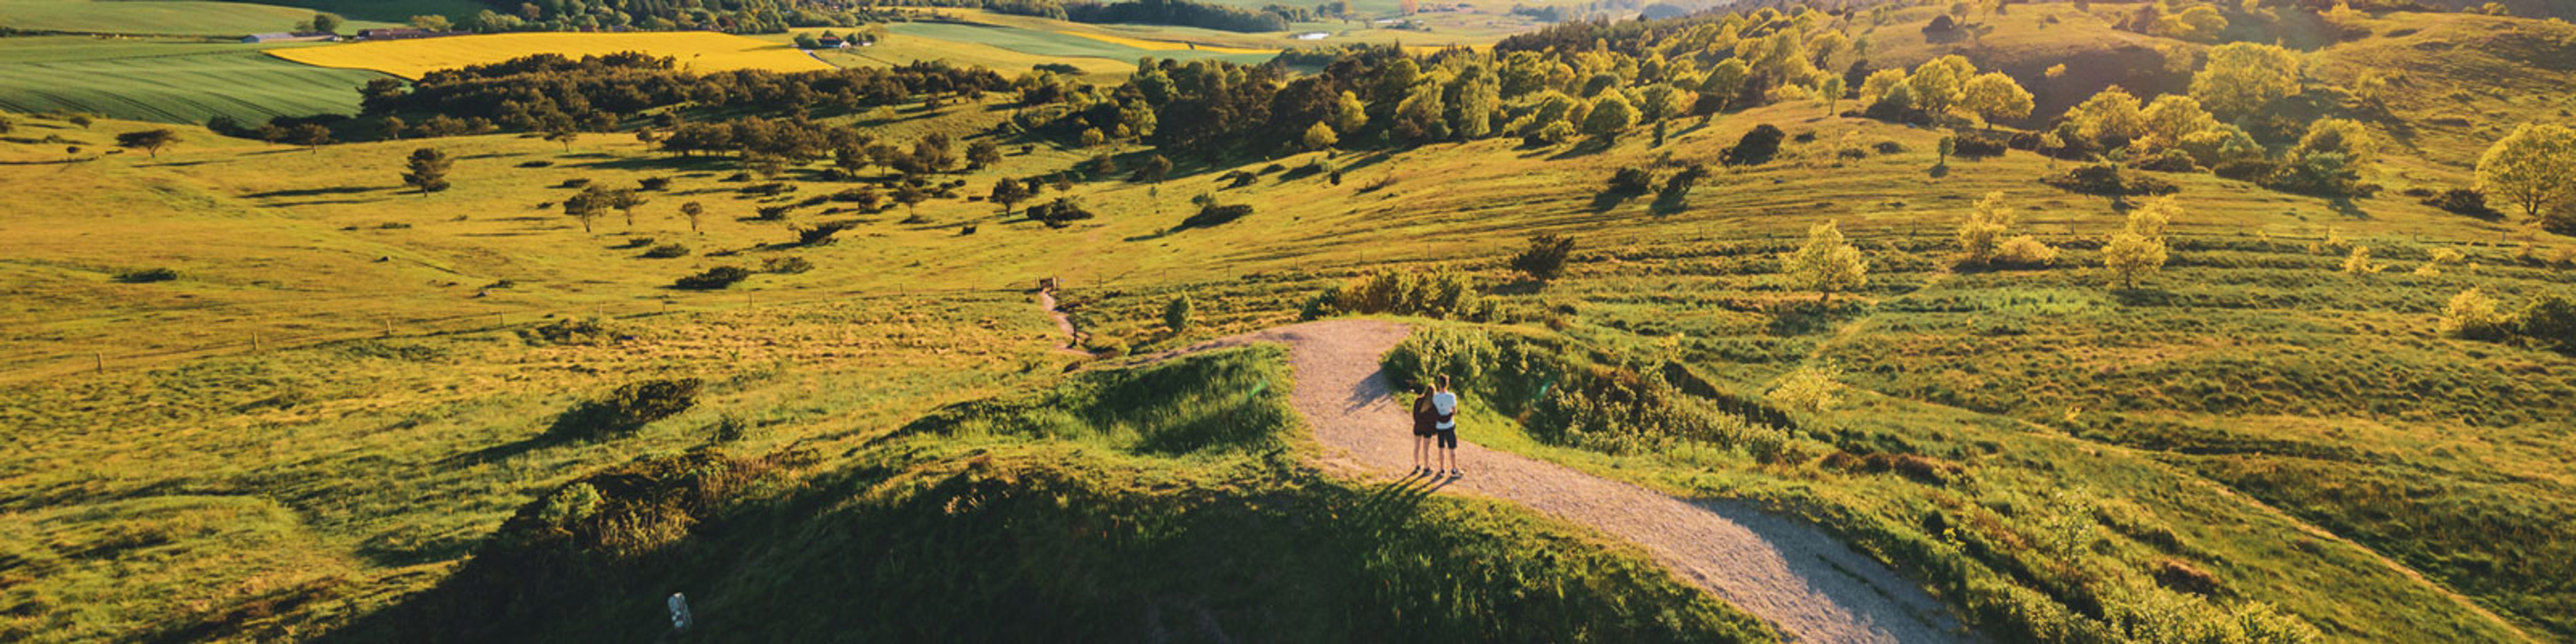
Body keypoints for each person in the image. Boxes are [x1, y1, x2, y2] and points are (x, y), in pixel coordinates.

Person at [1430, 374, 1461, 477]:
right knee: (1452, 449)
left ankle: (1442, 470)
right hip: (1449, 425)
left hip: (1439, 426)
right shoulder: (1451, 396)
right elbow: (1454, 411)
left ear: (1439, 384)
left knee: (1441, 448)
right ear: (1447, 384)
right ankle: (1454, 469)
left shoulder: (1435, 397)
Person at [1410, 385, 1436, 476]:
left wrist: (1417, 422)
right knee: (1426, 449)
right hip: (1428, 429)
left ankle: (1417, 465)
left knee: (1416, 447)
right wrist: (1434, 430)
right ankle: (1426, 468)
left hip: (1418, 426)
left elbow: (1414, 413)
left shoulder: (1418, 400)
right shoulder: (1433, 405)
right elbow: (1434, 419)